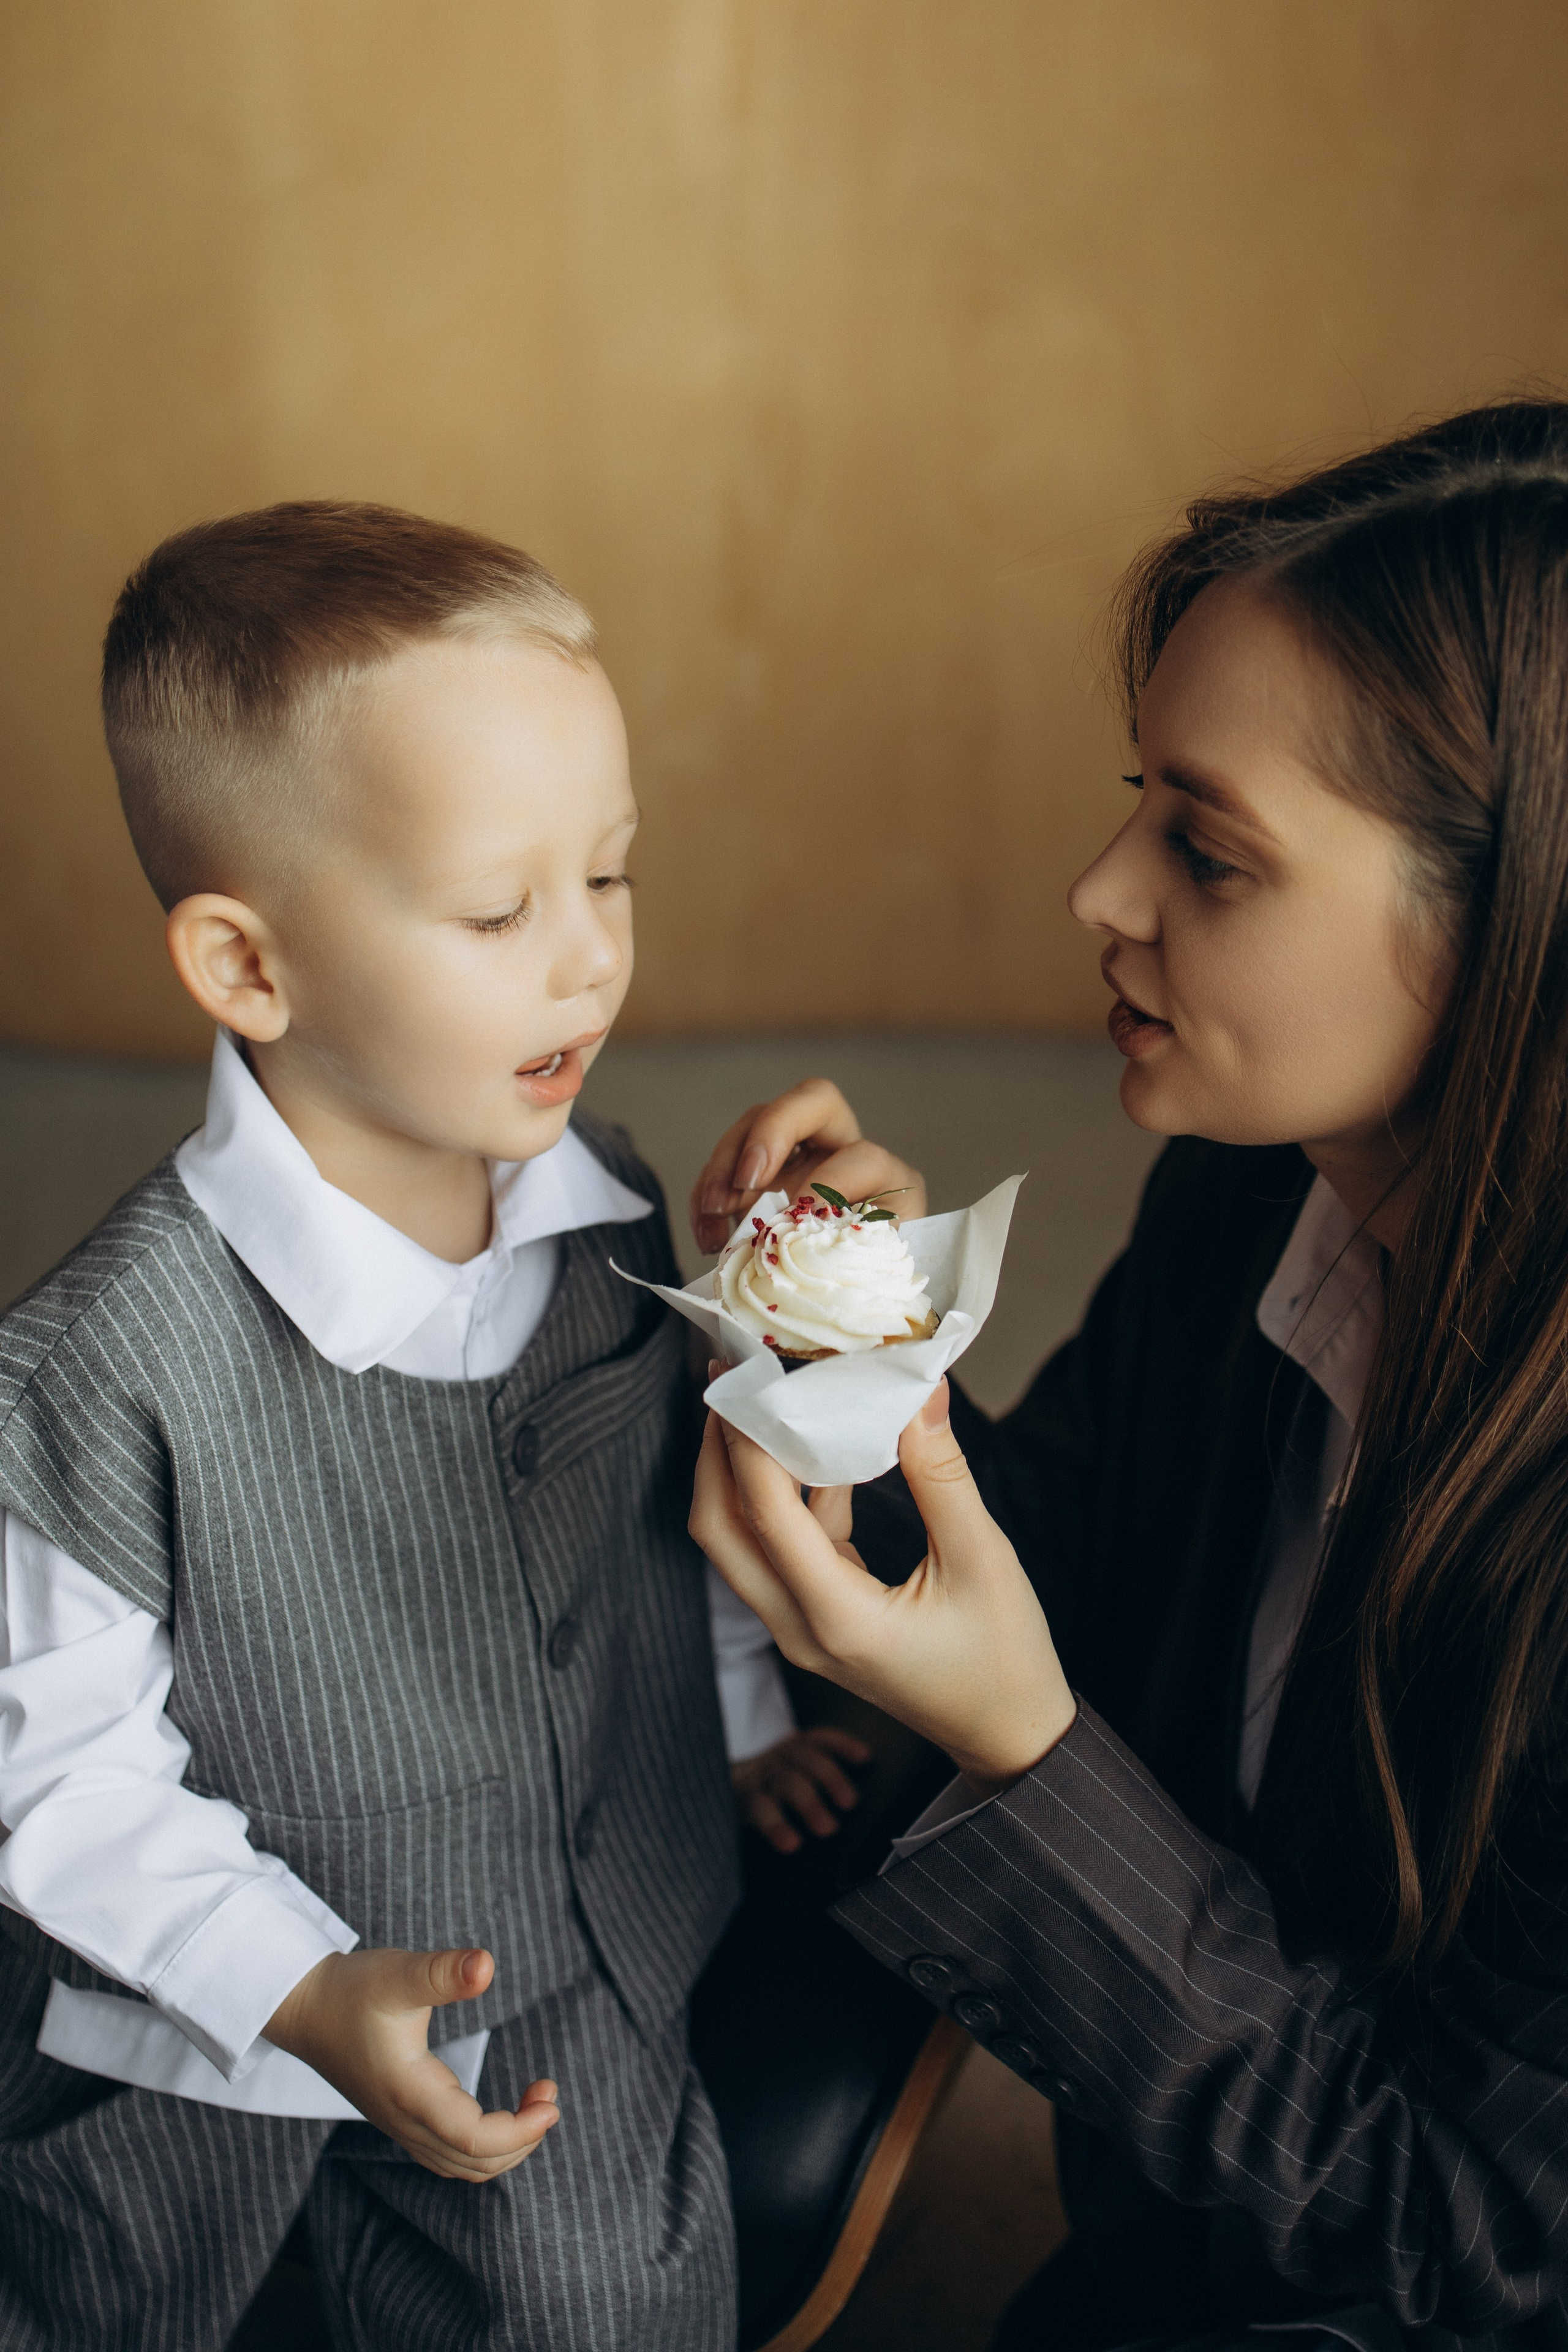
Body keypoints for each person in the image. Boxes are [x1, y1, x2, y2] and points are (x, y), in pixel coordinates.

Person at [690, 400, 1568, 2352]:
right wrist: (862, 1350)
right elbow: (1082, 1571)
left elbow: (1479, 2252)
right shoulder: (1254, 1197)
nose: (1101, 890)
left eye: (1211, 850)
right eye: (1137, 801)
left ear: (1518, 931)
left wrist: (1025, 1761)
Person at [0, 501, 859, 2352]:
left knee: (615, 2306)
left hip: (564, 1980)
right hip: (218, 2024)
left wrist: (737, 1720)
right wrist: (297, 1989)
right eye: (496, 909)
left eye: (609, 880)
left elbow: (661, 1500)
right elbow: (58, 1779)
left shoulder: (609, 1205)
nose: (587, 965)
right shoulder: (98, 1375)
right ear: (247, 970)